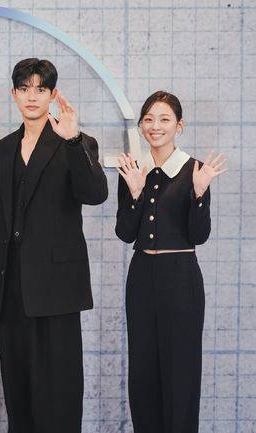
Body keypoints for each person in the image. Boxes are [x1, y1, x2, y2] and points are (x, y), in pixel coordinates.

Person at [0, 58, 108, 432]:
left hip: (58, 288)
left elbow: (95, 194)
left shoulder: (76, 142)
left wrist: (73, 140)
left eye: (40, 89)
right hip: (11, 288)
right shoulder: (1, 151)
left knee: (59, 392)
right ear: (14, 94)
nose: (32, 96)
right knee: (18, 391)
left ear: (53, 95)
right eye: (24, 89)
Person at [115, 91, 226, 433]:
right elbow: (125, 233)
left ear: (179, 125)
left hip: (180, 279)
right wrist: (134, 194)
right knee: (143, 372)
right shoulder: (133, 169)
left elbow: (199, 235)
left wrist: (199, 194)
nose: (155, 126)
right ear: (141, 125)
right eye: (148, 119)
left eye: (164, 119)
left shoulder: (195, 170)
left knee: (180, 373)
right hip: (141, 277)